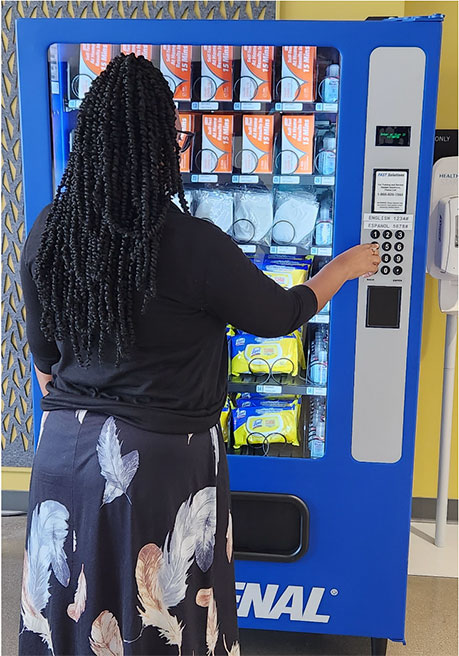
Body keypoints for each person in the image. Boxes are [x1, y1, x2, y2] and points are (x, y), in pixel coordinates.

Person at [18, 53, 380, 656]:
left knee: (73, 615)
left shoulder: (49, 230)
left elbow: (46, 363)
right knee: (161, 615)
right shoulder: (193, 245)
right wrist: (341, 268)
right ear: (163, 143)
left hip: (65, 457)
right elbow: (279, 316)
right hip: (161, 466)